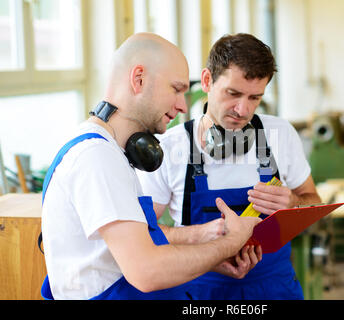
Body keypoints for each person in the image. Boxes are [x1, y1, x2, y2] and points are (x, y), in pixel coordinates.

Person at [40, 32, 262, 300]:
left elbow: (127, 252)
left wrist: (208, 260)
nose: (182, 106)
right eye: (176, 89)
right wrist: (231, 242)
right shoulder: (97, 157)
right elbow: (146, 271)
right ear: (139, 79)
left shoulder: (112, 153)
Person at [136, 33, 322, 300]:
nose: (242, 109)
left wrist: (294, 203)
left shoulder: (280, 134)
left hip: (275, 288)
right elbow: (144, 234)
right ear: (207, 80)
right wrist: (202, 235)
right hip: (200, 292)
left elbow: (314, 203)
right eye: (233, 93)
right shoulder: (170, 147)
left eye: (255, 98)